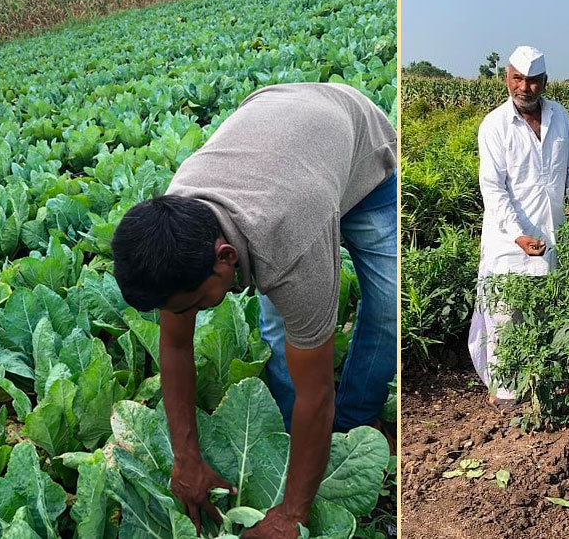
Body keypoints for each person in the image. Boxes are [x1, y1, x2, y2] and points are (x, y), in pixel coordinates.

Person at [110, 82, 397, 536]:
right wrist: (186, 460)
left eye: (194, 304)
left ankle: (352, 425)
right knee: (283, 336)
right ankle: (289, 446)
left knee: (388, 308)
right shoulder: (175, 229)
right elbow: (175, 345)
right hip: (276, 129)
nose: (187, 314)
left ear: (226, 258)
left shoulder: (292, 241)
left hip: (361, 153)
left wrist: (291, 514)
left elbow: (316, 392)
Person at [468, 45, 569, 409]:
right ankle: (505, 391)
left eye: (533, 81)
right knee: (506, 311)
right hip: (508, 238)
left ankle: (542, 383)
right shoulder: (494, 125)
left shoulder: (560, 118)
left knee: (547, 311)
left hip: (552, 233)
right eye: (517, 78)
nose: (525, 87)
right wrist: (517, 233)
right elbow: (493, 187)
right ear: (506, 78)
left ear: (545, 82)